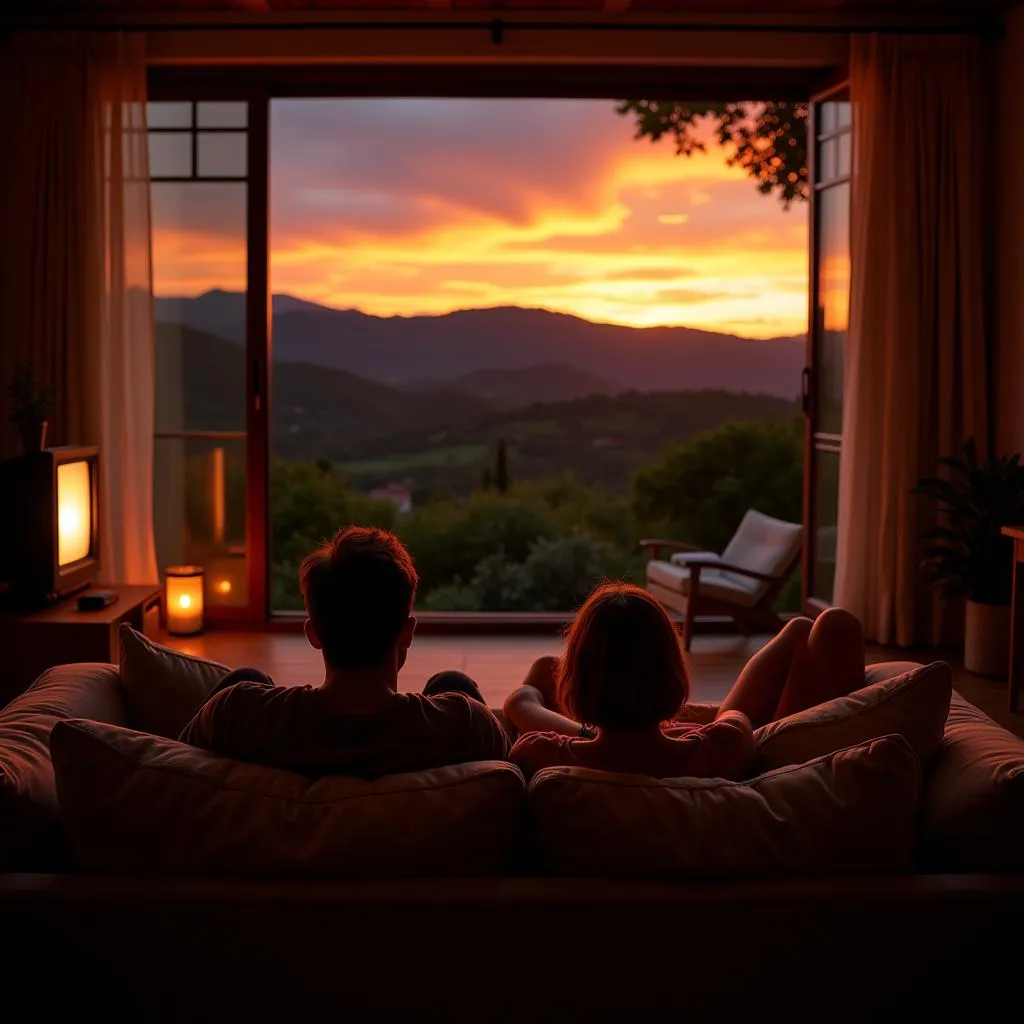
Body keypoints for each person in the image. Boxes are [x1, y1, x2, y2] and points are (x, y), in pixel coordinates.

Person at [180, 526, 509, 777]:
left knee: (247, 678)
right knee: (453, 683)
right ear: (407, 633)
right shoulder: (466, 727)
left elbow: (171, 765)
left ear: (313, 634)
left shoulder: (235, 715)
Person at [503, 582, 864, 781]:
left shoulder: (538, 753)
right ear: (673, 671)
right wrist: (676, 728)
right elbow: (732, 717)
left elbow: (520, 700)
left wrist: (585, 734)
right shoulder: (723, 746)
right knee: (828, 626)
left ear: (577, 684)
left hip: (601, 734)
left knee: (544, 666)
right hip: (766, 758)